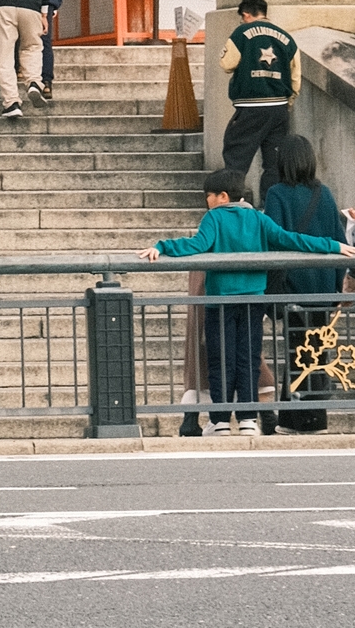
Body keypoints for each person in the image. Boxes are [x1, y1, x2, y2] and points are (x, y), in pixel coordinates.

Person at [145, 172, 351, 433]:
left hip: (220, 301)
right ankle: (248, 420)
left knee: (221, 360)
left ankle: (220, 420)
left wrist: (162, 247)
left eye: (208, 196)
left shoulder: (214, 218)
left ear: (222, 196)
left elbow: (197, 244)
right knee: (249, 359)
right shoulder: (258, 218)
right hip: (253, 300)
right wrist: (332, 246)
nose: (207, 201)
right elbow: (291, 239)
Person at [264, 134, 349, 436]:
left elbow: (274, 237)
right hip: (323, 288)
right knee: (316, 352)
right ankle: (305, 419)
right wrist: (338, 285)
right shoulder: (323, 193)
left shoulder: (276, 194)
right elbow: (339, 240)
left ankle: (301, 420)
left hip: (293, 287)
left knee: (297, 352)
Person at [220, 0, 299, 186]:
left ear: (246, 14)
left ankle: (232, 197)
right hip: (279, 107)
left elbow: (227, 64)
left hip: (250, 107)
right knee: (274, 164)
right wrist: (288, 103)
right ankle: (270, 201)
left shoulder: (241, 33)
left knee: (236, 158)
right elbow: (295, 77)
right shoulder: (287, 38)